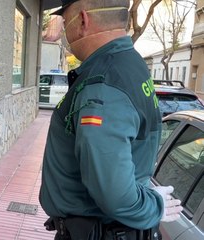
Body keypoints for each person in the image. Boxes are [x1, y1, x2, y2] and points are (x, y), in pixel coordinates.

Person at [39, 0, 183, 239]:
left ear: (83, 21)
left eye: (65, 22)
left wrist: (153, 206)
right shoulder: (130, 64)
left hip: (97, 232)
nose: (65, 32)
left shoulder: (103, 83)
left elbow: (115, 194)